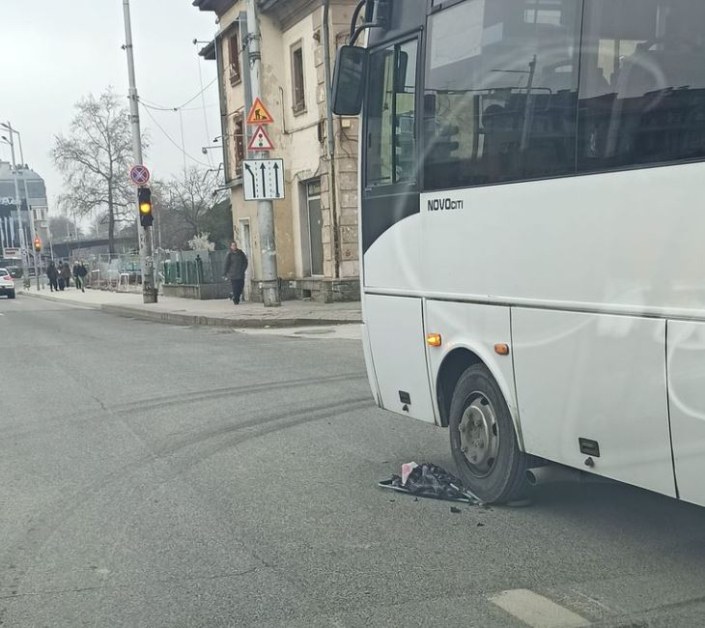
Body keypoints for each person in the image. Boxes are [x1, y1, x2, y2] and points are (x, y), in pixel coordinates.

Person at [223, 241, 248, 305]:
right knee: (235, 287)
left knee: (241, 286)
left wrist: (243, 269)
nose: (234, 247)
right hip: (233, 274)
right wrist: (225, 273)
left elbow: (245, 261)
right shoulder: (229, 254)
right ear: (231, 247)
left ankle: (234, 296)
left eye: (235, 245)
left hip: (240, 273)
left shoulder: (240, 253)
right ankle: (236, 299)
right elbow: (226, 264)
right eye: (233, 245)